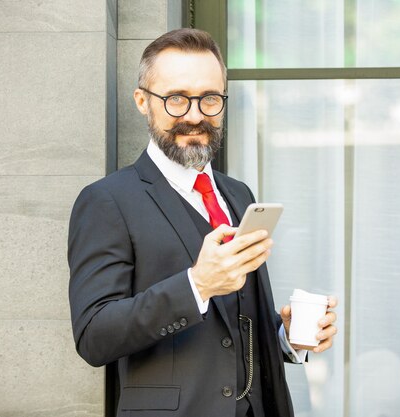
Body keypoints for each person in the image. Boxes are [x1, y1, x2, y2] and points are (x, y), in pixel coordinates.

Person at [68, 28, 337, 417]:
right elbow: (94, 336)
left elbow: (232, 329)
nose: (195, 116)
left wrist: (287, 338)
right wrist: (197, 285)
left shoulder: (239, 195)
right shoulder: (106, 201)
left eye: (209, 99)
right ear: (142, 101)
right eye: (177, 99)